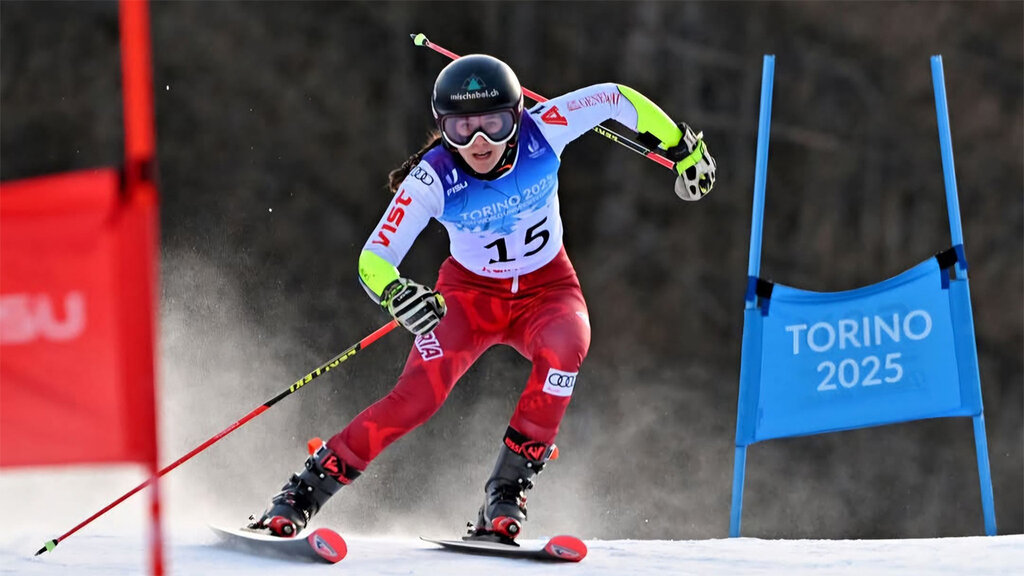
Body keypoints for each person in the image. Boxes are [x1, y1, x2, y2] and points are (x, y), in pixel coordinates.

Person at [251, 54, 716, 542]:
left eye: (493, 125)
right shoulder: (432, 178)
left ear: (516, 117)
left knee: (567, 348)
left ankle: (506, 492)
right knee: (417, 399)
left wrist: (683, 146)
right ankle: (302, 492)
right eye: (461, 128)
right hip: (469, 300)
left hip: (548, 291)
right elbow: (375, 257)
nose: (478, 142)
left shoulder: (546, 129)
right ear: (442, 127)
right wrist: (395, 292)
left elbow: (617, 99)